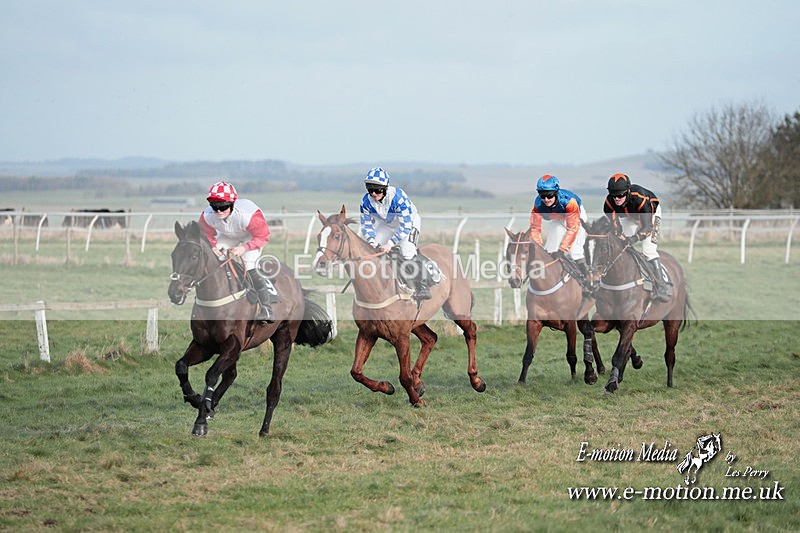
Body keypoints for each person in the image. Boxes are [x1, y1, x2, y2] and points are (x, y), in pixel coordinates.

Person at [199, 180, 276, 321]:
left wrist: (244, 248)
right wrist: (213, 246)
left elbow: (263, 236)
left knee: (249, 263)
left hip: (251, 236)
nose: (218, 211)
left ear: (233, 203)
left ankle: (266, 307)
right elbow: (205, 234)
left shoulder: (249, 215)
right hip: (229, 235)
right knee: (216, 259)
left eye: (223, 207)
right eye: (214, 207)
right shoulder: (207, 215)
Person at [359, 167, 431, 300]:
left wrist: (390, 243)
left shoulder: (398, 197)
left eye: (377, 189)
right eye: (370, 190)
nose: (374, 194)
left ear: (386, 187)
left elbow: (405, 226)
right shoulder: (365, 202)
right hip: (387, 224)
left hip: (408, 223)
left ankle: (423, 285)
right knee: (373, 248)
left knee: (407, 251)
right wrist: (371, 241)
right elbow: (366, 225)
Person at [603, 173, 669, 302]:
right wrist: (619, 235)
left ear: (627, 191)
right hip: (630, 216)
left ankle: (661, 286)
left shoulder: (641, 199)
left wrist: (634, 238)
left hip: (650, 215)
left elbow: (647, 228)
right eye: (613, 194)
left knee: (648, 250)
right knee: (622, 246)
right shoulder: (608, 204)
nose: (616, 198)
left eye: (620, 195)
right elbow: (616, 227)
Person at [528, 174, 589, 278]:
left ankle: (588, 280)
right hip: (557, 219)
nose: (546, 199)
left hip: (576, 217)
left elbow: (573, 228)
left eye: (550, 195)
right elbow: (535, 228)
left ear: (556, 193)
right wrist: (537, 248)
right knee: (549, 249)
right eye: (542, 196)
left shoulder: (569, 201)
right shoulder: (538, 204)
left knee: (574, 252)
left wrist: (562, 250)